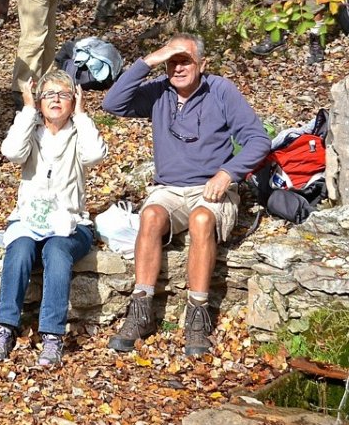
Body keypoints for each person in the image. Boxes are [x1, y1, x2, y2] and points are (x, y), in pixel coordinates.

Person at [101, 33, 270, 356]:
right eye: (172, 62)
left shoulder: (220, 91)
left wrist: (228, 173)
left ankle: (197, 316)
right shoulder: (159, 92)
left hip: (210, 187)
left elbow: (258, 140)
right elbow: (112, 104)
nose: (178, 68)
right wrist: (150, 60)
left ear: (202, 64)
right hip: (169, 189)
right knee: (150, 215)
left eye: (185, 61)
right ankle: (141, 311)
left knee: (202, 219)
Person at [0, 70, 108, 367]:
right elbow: (11, 152)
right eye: (49, 94)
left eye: (63, 94)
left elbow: (95, 156)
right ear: (40, 101)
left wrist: (82, 115)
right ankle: (5, 328)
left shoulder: (78, 133)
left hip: (70, 223)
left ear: (73, 100)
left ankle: (52, 335)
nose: (56, 100)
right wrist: (27, 109)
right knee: (19, 250)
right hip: (29, 219)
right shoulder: (32, 131)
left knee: (57, 252)